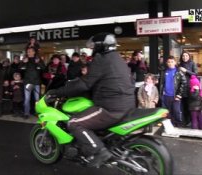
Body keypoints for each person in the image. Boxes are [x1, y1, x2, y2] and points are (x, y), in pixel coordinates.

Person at [45, 33, 135, 167]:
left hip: (110, 108)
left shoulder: (101, 59)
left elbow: (84, 84)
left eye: (94, 47)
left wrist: (57, 92)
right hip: (127, 104)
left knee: (74, 123)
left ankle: (100, 152)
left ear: (100, 46)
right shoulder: (118, 58)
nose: (92, 50)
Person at [159, 56, 187, 127]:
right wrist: (161, 94)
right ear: (166, 63)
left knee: (176, 112)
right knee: (166, 113)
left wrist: (179, 95)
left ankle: (178, 126)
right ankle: (168, 128)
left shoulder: (179, 72)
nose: (170, 63)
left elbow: (184, 83)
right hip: (165, 96)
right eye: (169, 62)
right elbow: (161, 83)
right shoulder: (163, 72)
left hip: (175, 96)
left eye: (172, 62)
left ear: (175, 62)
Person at [20, 47, 45, 118]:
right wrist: (23, 63)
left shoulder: (38, 59)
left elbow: (43, 68)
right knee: (27, 99)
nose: (29, 53)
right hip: (27, 82)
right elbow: (20, 69)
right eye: (28, 51)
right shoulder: (25, 59)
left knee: (37, 99)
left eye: (30, 51)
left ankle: (37, 112)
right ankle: (26, 113)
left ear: (34, 52)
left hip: (36, 82)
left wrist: (38, 62)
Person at [179, 51, 198, 126]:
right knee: (183, 105)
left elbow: (195, 74)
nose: (184, 57)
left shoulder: (192, 63)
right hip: (182, 86)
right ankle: (185, 121)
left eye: (186, 56)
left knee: (190, 105)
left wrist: (186, 71)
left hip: (190, 87)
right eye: (183, 56)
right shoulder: (180, 64)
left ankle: (191, 121)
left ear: (189, 56)